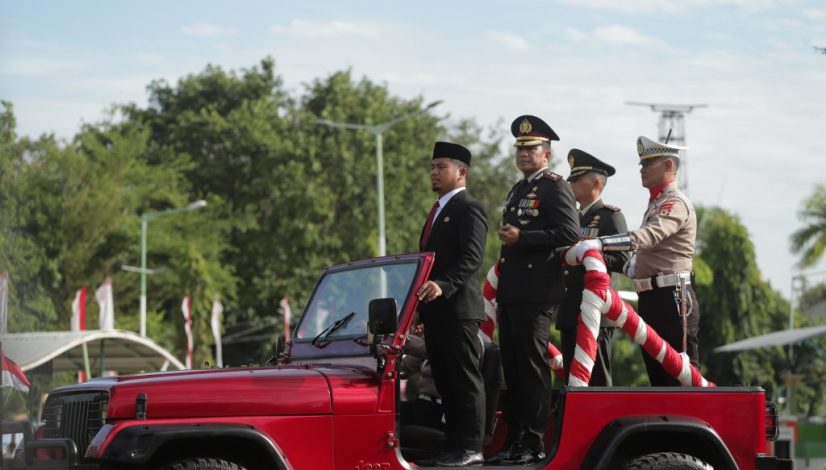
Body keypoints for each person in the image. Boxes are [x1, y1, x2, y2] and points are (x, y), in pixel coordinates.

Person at [488, 116, 579, 465]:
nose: (524, 155)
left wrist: (524, 238)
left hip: (537, 289)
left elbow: (569, 234)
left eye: (532, 149)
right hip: (512, 291)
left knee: (531, 367)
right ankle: (514, 440)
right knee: (512, 368)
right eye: (521, 149)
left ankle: (533, 442)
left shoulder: (555, 186)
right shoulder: (518, 189)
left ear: (547, 153)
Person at [587, 136, 700, 386]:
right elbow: (651, 256)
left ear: (669, 166)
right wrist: (623, 264)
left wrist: (601, 243)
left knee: (679, 377)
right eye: (642, 164)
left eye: (649, 163)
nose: (642, 169)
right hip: (651, 297)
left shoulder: (675, 203)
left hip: (673, 298)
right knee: (658, 377)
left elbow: (649, 236)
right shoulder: (657, 203)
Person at [417, 141, 488, 467]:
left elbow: (471, 258)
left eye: (441, 166)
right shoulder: (438, 210)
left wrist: (443, 286)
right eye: (432, 166)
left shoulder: (469, 208)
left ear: (461, 173)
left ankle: (471, 447)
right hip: (435, 312)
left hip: (458, 310)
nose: (434, 172)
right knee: (445, 380)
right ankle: (455, 446)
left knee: (463, 381)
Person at [558, 149, 629, 386]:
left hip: (596, 312)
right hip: (570, 309)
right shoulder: (571, 218)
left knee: (597, 383)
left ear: (596, 182)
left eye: (577, 179)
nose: (571, 184)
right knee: (571, 381)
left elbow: (622, 259)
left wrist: (588, 254)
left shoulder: (609, 217)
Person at [398, 323, 504, 461]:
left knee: (392, 433)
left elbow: (443, 355)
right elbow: (403, 367)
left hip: (445, 415)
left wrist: (405, 339)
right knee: (382, 418)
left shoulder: (471, 340)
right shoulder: (432, 336)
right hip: (422, 406)